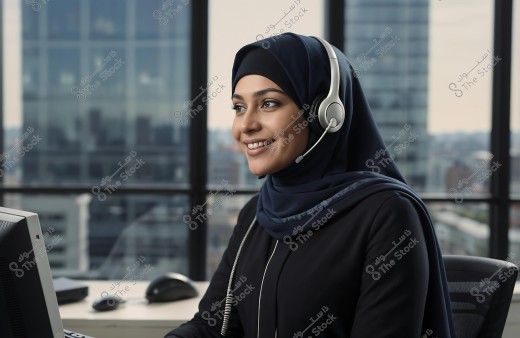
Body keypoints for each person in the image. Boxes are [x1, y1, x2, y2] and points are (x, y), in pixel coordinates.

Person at [165, 32, 455, 338]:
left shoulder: (387, 214)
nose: (246, 125)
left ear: (326, 114)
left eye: (269, 103)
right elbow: (212, 326)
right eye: (238, 107)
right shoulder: (257, 214)